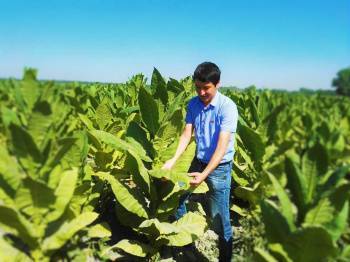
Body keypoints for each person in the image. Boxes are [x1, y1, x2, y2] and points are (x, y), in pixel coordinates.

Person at [162, 62, 238, 261]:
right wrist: (173, 160)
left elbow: (222, 147)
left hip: (219, 168)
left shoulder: (227, 107)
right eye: (198, 88)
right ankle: (187, 246)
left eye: (206, 88)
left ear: (217, 84)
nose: (202, 92)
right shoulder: (193, 104)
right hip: (198, 161)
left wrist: (205, 175)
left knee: (220, 218)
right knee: (176, 197)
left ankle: (225, 258)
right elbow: (187, 134)